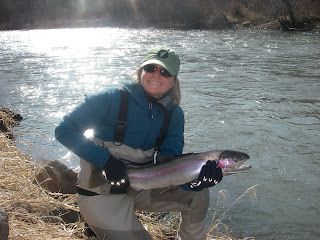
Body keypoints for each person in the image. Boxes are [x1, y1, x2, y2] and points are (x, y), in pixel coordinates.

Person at [55, 47, 223, 240]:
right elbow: (64, 130)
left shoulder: (174, 115)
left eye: (165, 72)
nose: (156, 75)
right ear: (140, 71)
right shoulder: (108, 99)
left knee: (199, 195)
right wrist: (106, 162)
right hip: (100, 194)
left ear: (174, 81)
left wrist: (193, 182)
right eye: (151, 68)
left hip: (143, 187)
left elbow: (169, 166)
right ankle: (96, 225)